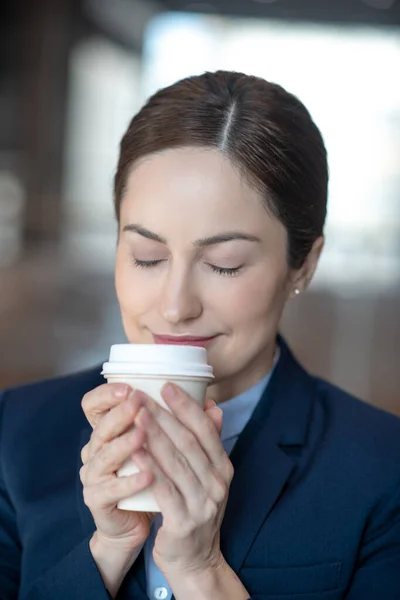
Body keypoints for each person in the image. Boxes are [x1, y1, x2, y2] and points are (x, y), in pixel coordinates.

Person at [0, 70, 399, 600]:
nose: (175, 306)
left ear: (302, 265)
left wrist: (200, 571)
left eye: (225, 263)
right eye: (147, 256)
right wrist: (107, 551)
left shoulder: (380, 470)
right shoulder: (17, 436)